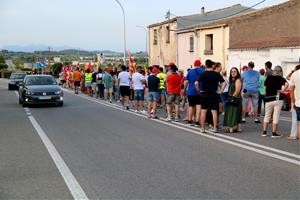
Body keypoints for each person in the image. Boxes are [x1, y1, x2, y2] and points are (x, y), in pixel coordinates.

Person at [195, 59, 226, 133]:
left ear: (205, 65)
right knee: (214, 112)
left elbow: (196, 83)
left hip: (204, 94)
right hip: (214, 94)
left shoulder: (203, 74)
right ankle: (215, 128)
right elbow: (224, 83)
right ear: (212, 65)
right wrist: (220, 91)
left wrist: (199, 90)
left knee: (203, 111)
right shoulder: (216, 74)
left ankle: (202, 128)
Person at [262, 66, 289, 138]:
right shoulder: (281, 78)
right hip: (277, 98)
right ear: (281, 71)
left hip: (268, 98)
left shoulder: (269, 77)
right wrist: (282, 91)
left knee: (267, 115)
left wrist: (266, 94)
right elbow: (287, 84)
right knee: (276, 116)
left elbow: (265, 87)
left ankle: (264, 132)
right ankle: (274, 133)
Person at [182, 59, 205, 126]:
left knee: (191, 106)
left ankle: (190, 120)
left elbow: (186, 82)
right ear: (200, 64)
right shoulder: (203, 71)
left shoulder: (190, 71)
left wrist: (184, 90)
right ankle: (197, 121)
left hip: (191, 91)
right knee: (199, 106)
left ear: (194, 65)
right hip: (200, 91)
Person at [223, 67, 243, 133]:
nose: (233, 73)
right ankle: (235, 128)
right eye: (232, 72)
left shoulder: (238, 80)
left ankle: (233, 128)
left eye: (234, 71)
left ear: (237, 72)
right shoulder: (232, 80)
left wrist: (232, 98)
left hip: (235, 99)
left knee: (233, 113)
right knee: (233, 113)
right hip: (232, 98)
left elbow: (237, 90)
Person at [289, 65, 300, 140]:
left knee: (298, 122)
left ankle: (297, 137)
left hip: (298, 102)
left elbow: (291, 90)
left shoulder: (295, 74)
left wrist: (293, 101)